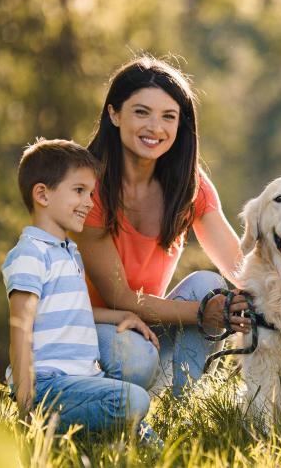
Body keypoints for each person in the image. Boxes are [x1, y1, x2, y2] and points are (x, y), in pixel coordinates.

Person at [74, 55, 252, 397]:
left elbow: (242, 268)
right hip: (90, 330)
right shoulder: (86, 186)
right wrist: (203, 313)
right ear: (114, 114)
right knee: (135, 355)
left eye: (168, 116)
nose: (155, 127)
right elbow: (119, 298)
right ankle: (103, 403)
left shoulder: (189, 185)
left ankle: (182, 411)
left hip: (148, 330)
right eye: (141, 112)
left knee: (209, 284)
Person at [3, 138, 160, 437]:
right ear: (42, 195)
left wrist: (121, 317)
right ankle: (46, 424)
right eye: (79, 191)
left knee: (149, 436)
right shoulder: (30, 254)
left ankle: (100, 436)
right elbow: (20, 332)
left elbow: (72, 311)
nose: (89, 202)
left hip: (81, 380)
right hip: (48, 386)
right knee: (133, 400)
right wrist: (25, 411)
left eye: (90, 193)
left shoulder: (68, 251)